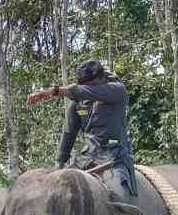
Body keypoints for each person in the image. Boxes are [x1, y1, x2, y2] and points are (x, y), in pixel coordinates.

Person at [26, 59, 137, 201]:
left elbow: (84, 91)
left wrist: (55, 91)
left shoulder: (117, 91)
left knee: (119, 196)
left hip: (115, 156)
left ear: (101, 78)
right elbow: (69, 133)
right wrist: (60, 163)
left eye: (91, 86)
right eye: (85, 86)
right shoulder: (78, 104)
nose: (88, 90)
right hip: (87, 157)